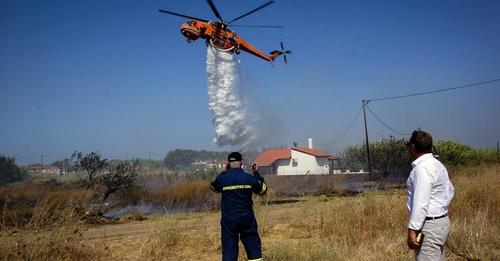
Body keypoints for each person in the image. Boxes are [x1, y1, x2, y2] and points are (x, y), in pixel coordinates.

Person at [406, 130, 455, 260]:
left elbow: (421, 202)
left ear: (413, 147)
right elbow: (450, 191)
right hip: (441, 222)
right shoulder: (438, 165)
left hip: (429, 227)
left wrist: (413, 229)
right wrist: (440, 208)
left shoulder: (421, 169)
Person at [210, 152, 267, 261]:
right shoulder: (248, 178)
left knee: (229, 252)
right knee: (253, 250)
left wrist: (223, 172)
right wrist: (256, 173)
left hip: (229, 221)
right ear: (241, 163)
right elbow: (263, 190)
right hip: (247, 220)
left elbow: (213, 186)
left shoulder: (223, 179)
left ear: (228, 164)